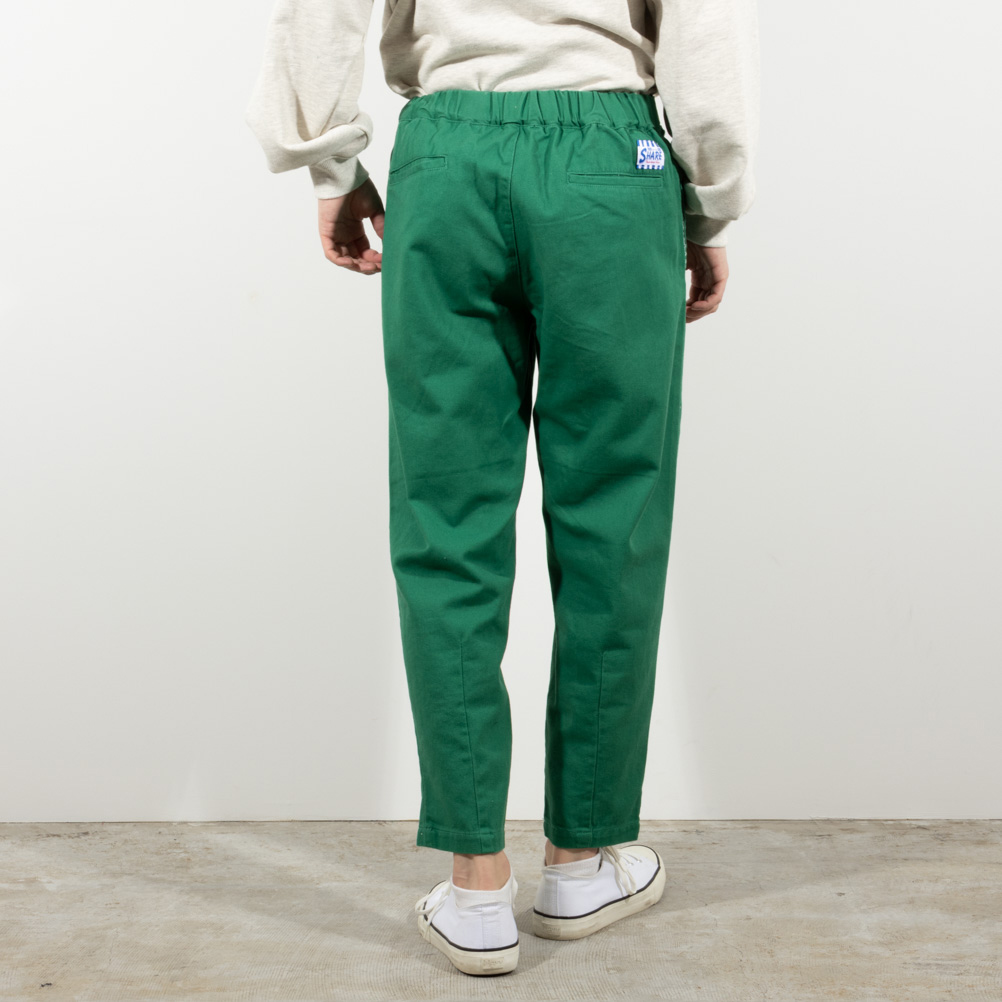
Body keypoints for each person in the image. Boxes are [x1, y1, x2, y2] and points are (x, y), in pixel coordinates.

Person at [245, 0, 759, 978]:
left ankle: (476, 887)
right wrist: (707, 202)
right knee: (615, 517)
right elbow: (704, 26)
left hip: (446, 158)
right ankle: (580, 863)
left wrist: (331, 167)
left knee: (445, 520)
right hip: (613, 164)